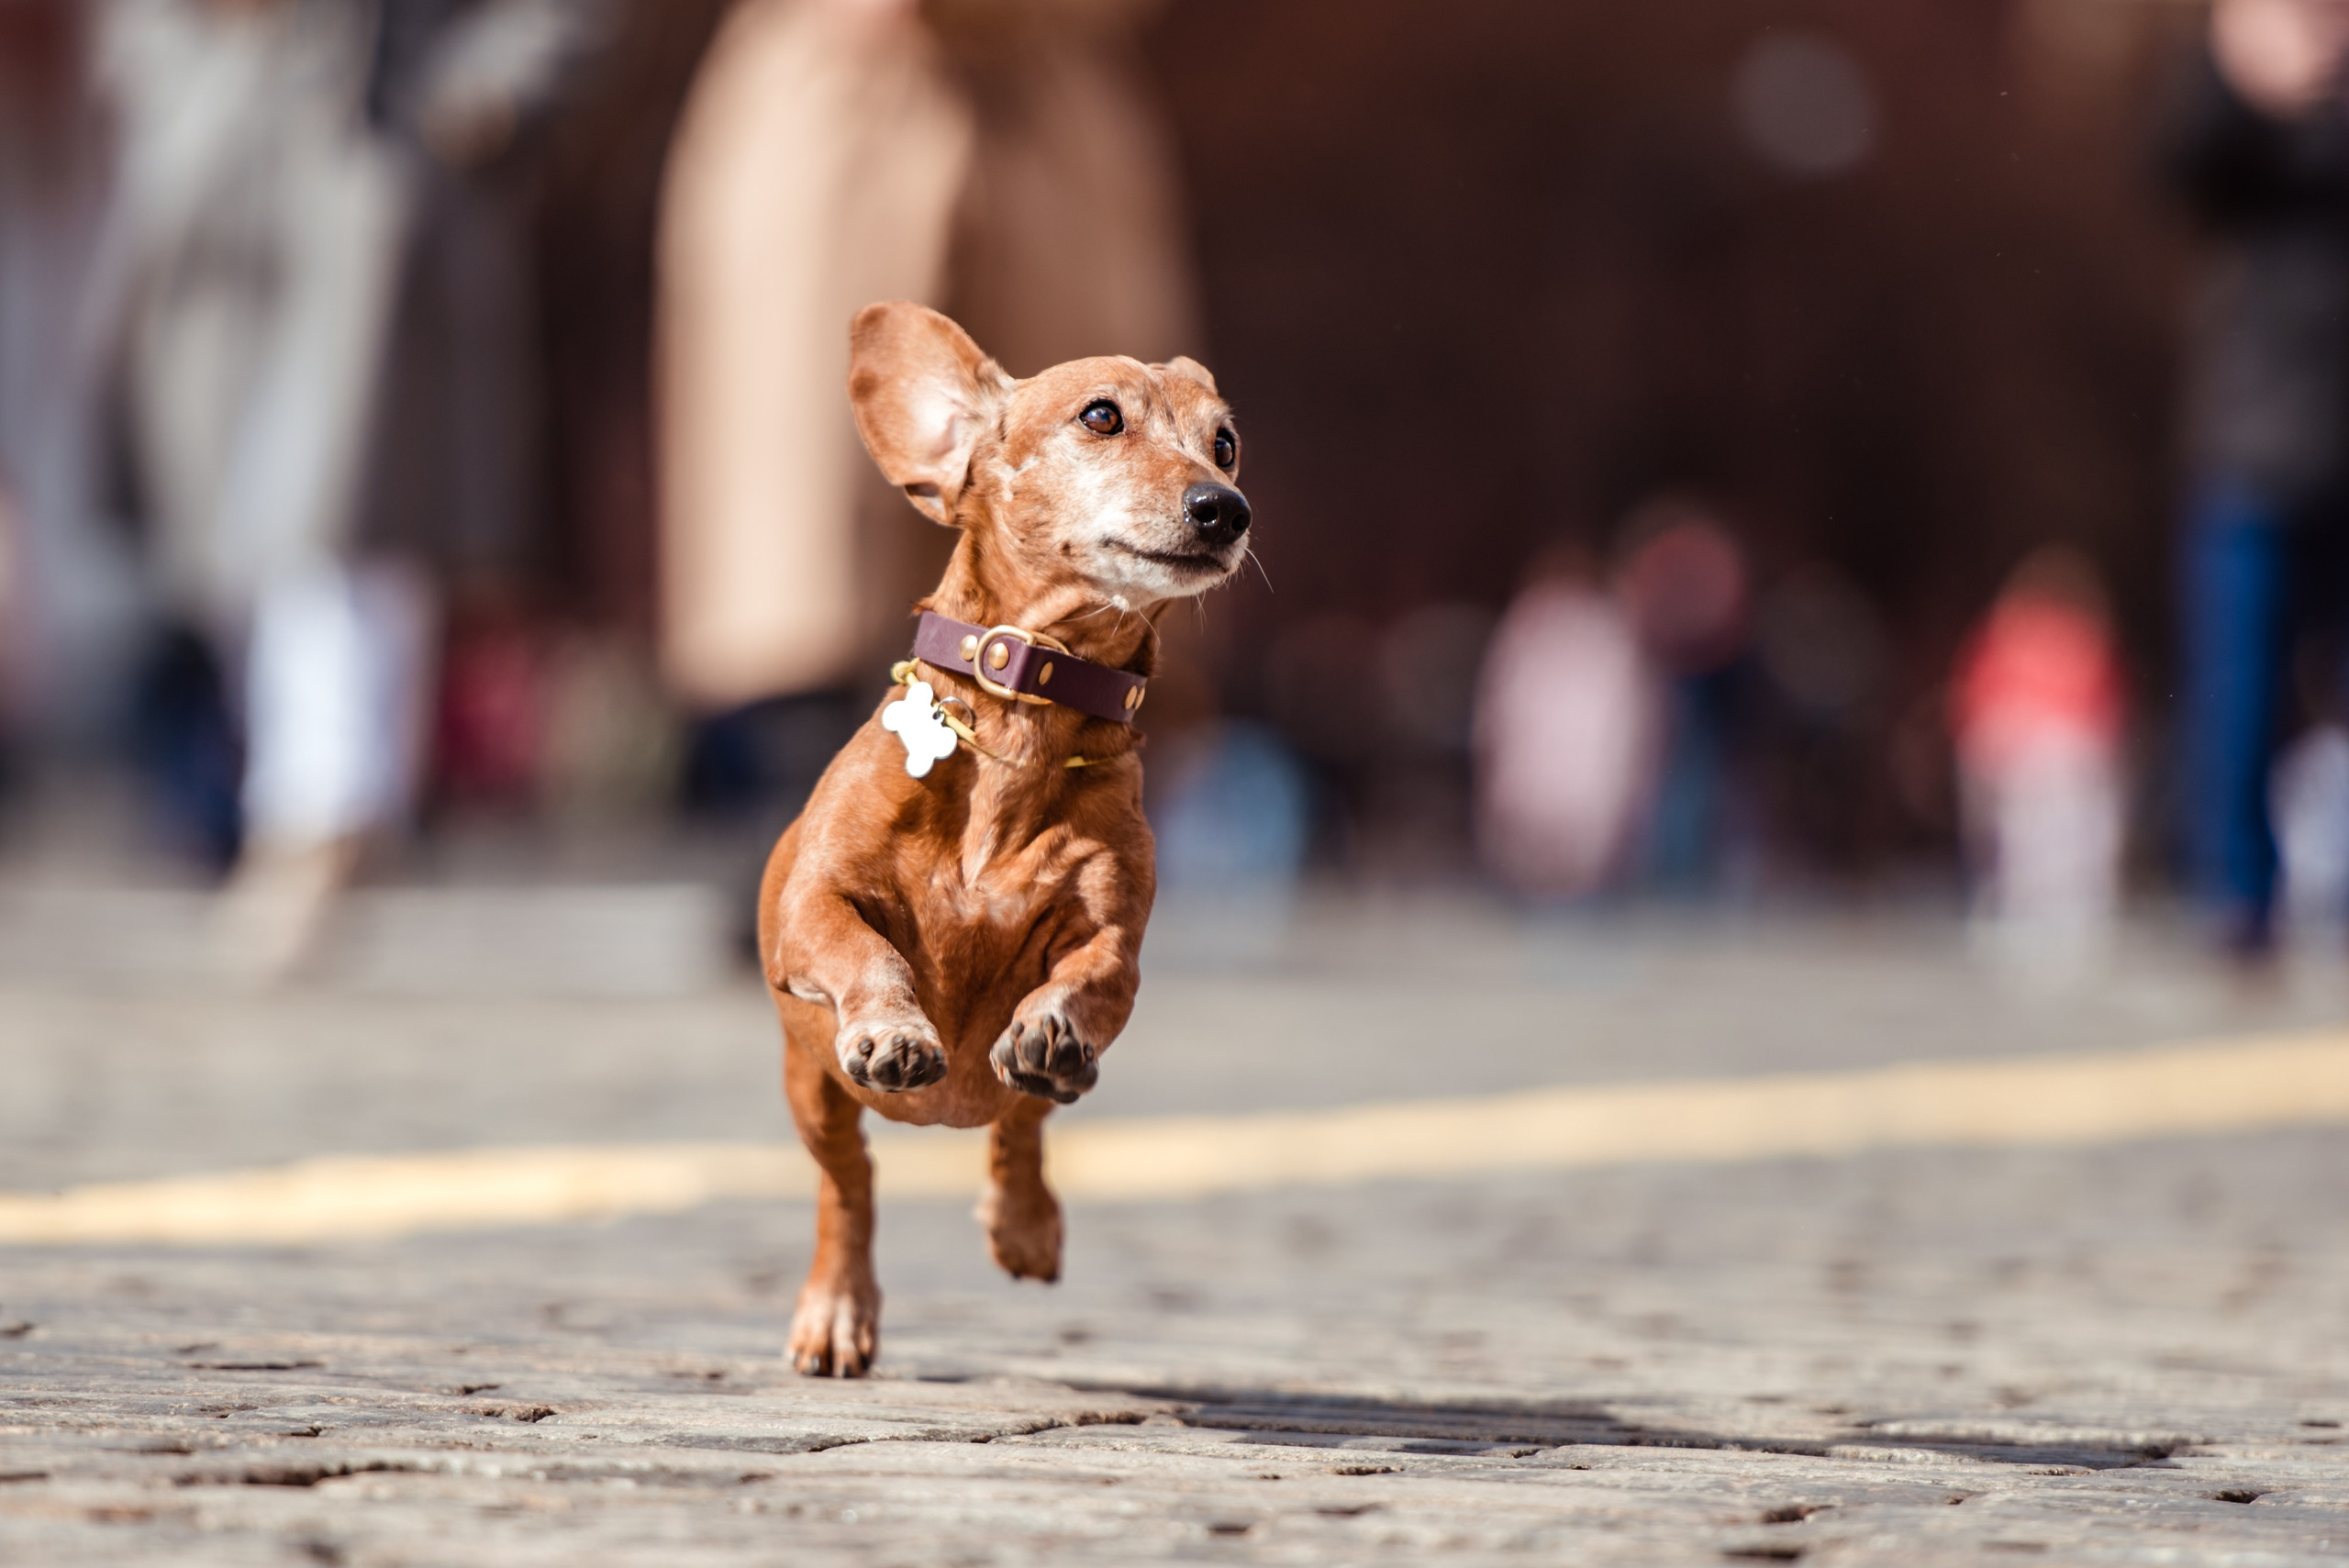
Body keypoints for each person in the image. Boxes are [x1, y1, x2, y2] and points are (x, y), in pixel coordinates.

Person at [2165, 0, 2349, 953]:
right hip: (2256, 439)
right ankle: (2237, 897)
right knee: (2235, 689)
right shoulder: (2234, 74)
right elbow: (2174, 162)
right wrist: (2240, 74)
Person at [1951, 547, 2130, 964]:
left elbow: (2108, 718)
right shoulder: (2002, 640)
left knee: (2066, 799)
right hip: (2019, 766)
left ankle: (2071, 908)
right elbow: (1976, 710)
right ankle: (2029, 906)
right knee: (2035, 815)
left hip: (2069, 770)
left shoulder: (2086, 643)